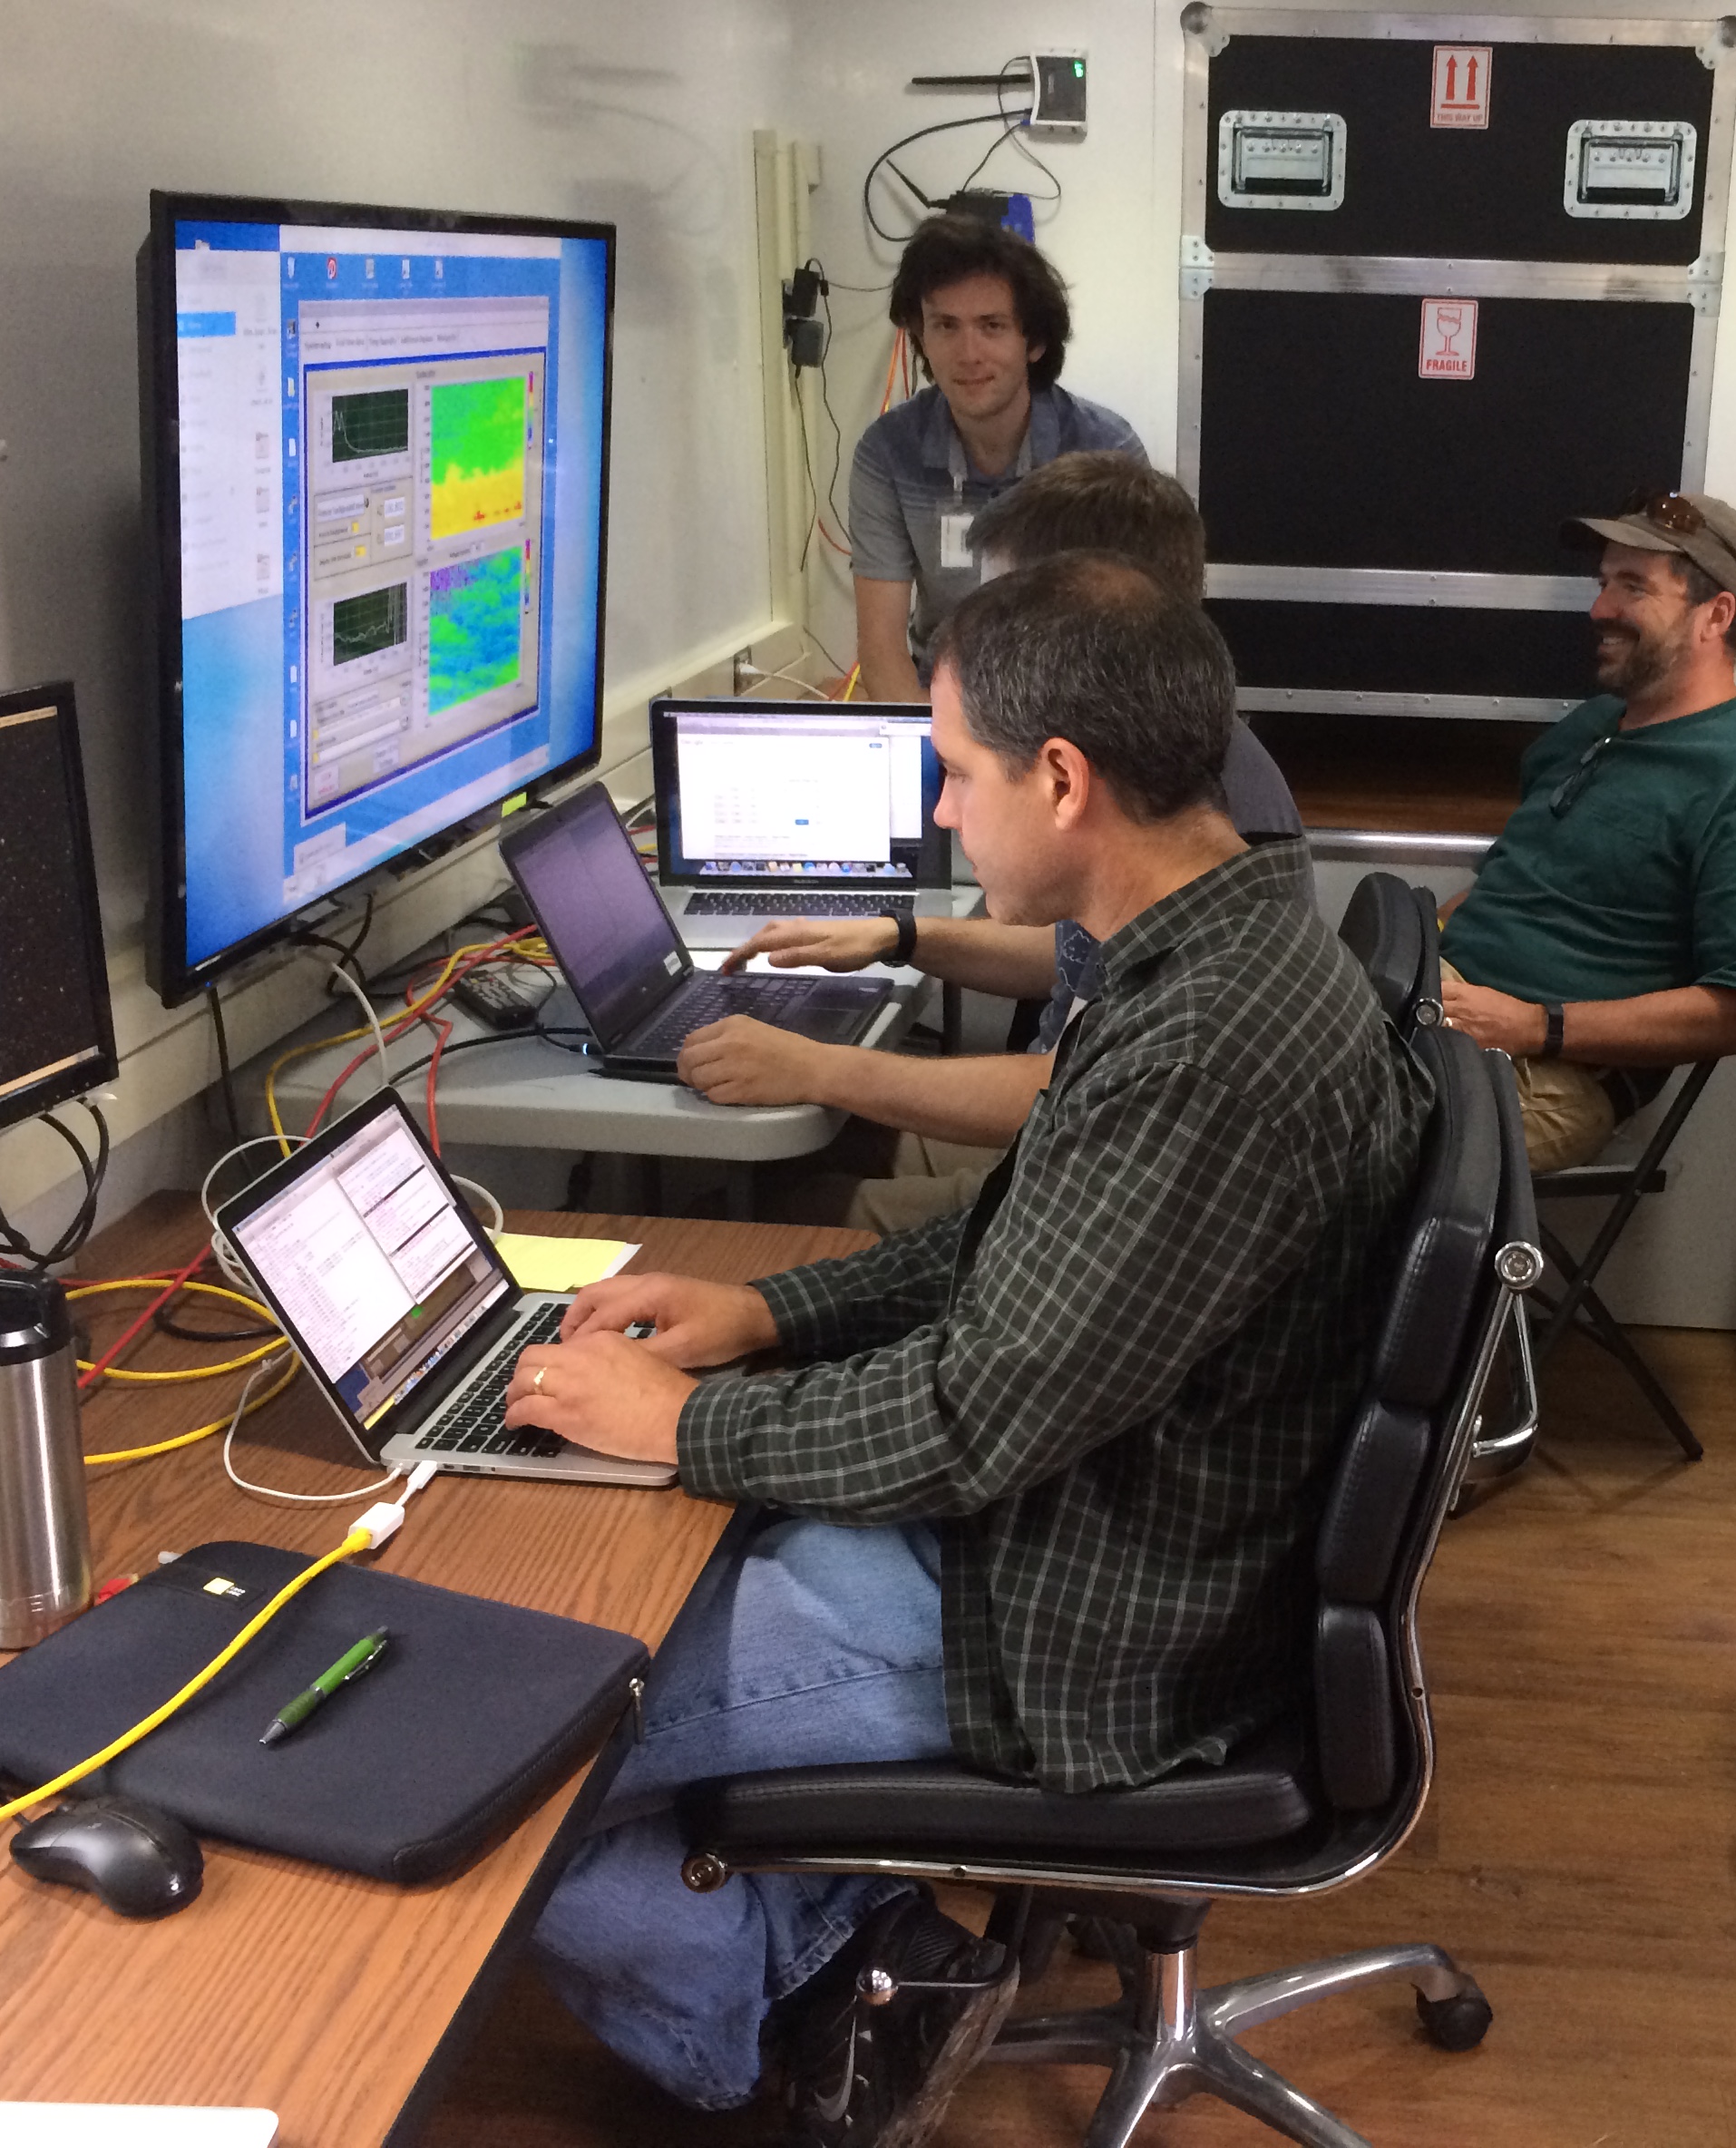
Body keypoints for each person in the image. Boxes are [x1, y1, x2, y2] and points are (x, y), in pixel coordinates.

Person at [503, 552, 1433, 2144]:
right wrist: (764, 1313)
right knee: (596, 1613)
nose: (941, 814)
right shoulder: (1212, 947)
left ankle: (795, 2052)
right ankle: (870, 1960)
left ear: (1062, 780)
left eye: (954, 772)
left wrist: (680, 1424)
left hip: (1080, 1624)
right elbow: (1017, 1242)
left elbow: (969, 1421)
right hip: (1093, 1535)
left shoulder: (1204, 1042)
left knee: (504, 1752)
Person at [684, 451, 1306, 1235]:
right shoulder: (1175, 778)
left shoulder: (1213, 822)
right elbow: (1078, 961)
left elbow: (1089, 1090)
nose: (945, 812)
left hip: (1056, 1158)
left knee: (750, 1217)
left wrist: (822, 1066)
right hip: (1058, 1141)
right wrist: (900, 935)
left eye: (1010, 604)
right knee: (793, 1161)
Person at [1435, 491, 1736, 1172]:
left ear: (1716, 615)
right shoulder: (1593, 727)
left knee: (1312, 1146)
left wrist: (1533, 1025)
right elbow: (1512, 880)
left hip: (1550, 1074)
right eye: (1603, 585)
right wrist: (1421, 947)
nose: (1599, 610)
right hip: (1444, 1009)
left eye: (1633, 587)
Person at [848, 214, 1140, 700]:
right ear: (921, 336)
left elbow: (1132, 645)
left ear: (1035, 342)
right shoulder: (886, 455)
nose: (968, 353)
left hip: (1067, 707)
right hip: (939, 703)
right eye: (945, 325)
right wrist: (950, 757)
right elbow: (882, 656)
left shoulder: (1107, 452)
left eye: (992, 326)